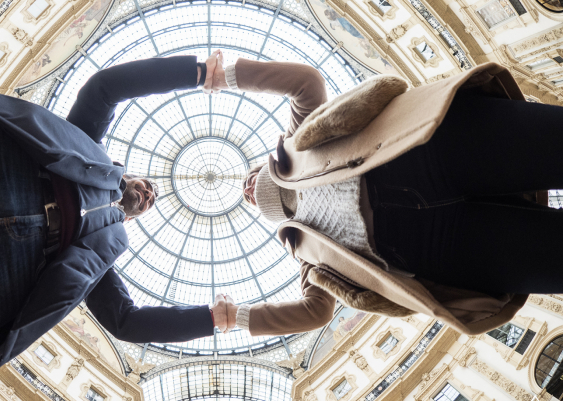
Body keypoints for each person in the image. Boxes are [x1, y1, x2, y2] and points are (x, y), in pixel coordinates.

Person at [0, 53, 237, 376]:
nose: (150, 192)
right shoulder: (89, 147)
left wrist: (209, 319)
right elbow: (105, 87)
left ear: (134, 218)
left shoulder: (103, 254)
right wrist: (198, 73)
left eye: (152, 198)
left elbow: (126, 321)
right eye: (149, 184)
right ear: (130, 174)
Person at [202, 50, 562, 337]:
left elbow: (305, 82)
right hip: (441, 250)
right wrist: (238, 317)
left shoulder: (295, 143)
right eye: (247, 194)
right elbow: (315, 312)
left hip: (436, 147)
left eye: (248, 177)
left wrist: (227, 75)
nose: (248, 188)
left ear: (264, 165)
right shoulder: (304, 252)